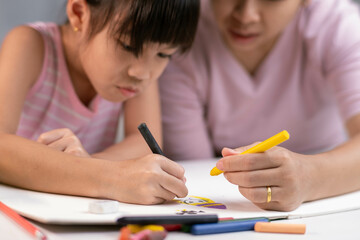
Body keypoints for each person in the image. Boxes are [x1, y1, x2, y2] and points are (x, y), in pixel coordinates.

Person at [159, 0, 360, 211]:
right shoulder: (182, 34)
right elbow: (194, 172)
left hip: (328, 201)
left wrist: (310, 176)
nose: (246, 16)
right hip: (230, 201)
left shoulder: (338, 26)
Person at [0, 0, 199, 205]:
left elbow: (144, 143)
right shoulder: (30, 44)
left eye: (164, 54)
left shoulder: (139, 74)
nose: (143, 73)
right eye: (128, 46)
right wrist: (107, 176)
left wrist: (87, 163)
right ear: (79, 14)